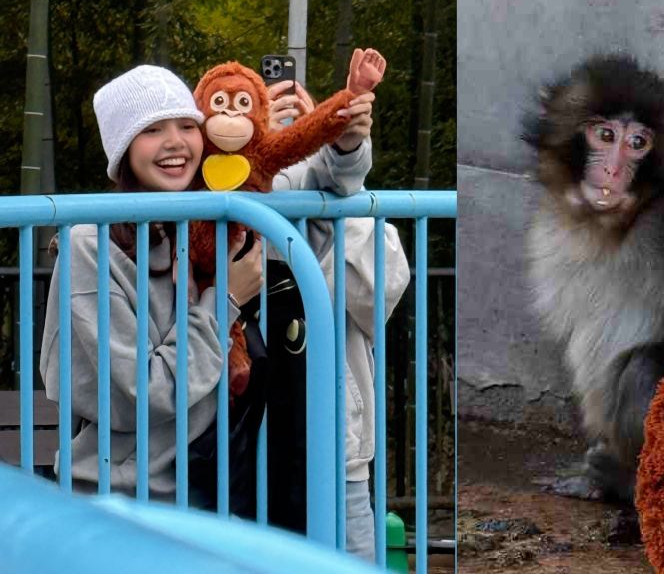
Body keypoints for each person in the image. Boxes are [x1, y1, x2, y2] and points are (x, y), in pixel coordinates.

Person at [39, 65, 264, 499]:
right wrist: (225, 299)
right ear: (123, 149)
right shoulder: (90, 245)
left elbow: (309, 181)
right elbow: (147, 391)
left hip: (213, 489)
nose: (175, 141)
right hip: (124, 497)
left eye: (187, 126)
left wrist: (346, 141)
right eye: (152, 129)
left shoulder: (211, 225)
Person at [264, 80, 410, 562]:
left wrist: (335, 143)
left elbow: (377, 296)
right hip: (247, 451)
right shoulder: (217, 215)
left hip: (336, 451)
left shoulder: (358, 220)